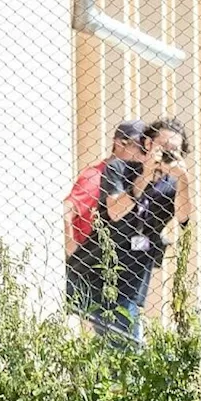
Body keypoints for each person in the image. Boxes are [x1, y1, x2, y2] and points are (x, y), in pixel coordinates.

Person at [92, 117, 194, 345]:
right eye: (163, 148)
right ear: (148, 144)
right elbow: (115, 212)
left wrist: (183, 180)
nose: (167, 154)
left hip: (135, 277)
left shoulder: (172, 184)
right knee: (124, 344)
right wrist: (146, 175)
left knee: (121, 344)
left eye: (174, 151)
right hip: (101, 270)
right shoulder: (118, 168)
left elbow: (184, 218)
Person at [63, 119, 147, 328]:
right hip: (94, 269)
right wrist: (71, 247)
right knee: (123, 341)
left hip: (118, 273)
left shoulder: (133, 178)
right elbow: (66, 209)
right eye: (139, 146)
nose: (144, 152)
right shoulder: (97, 176)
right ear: (120, 143)